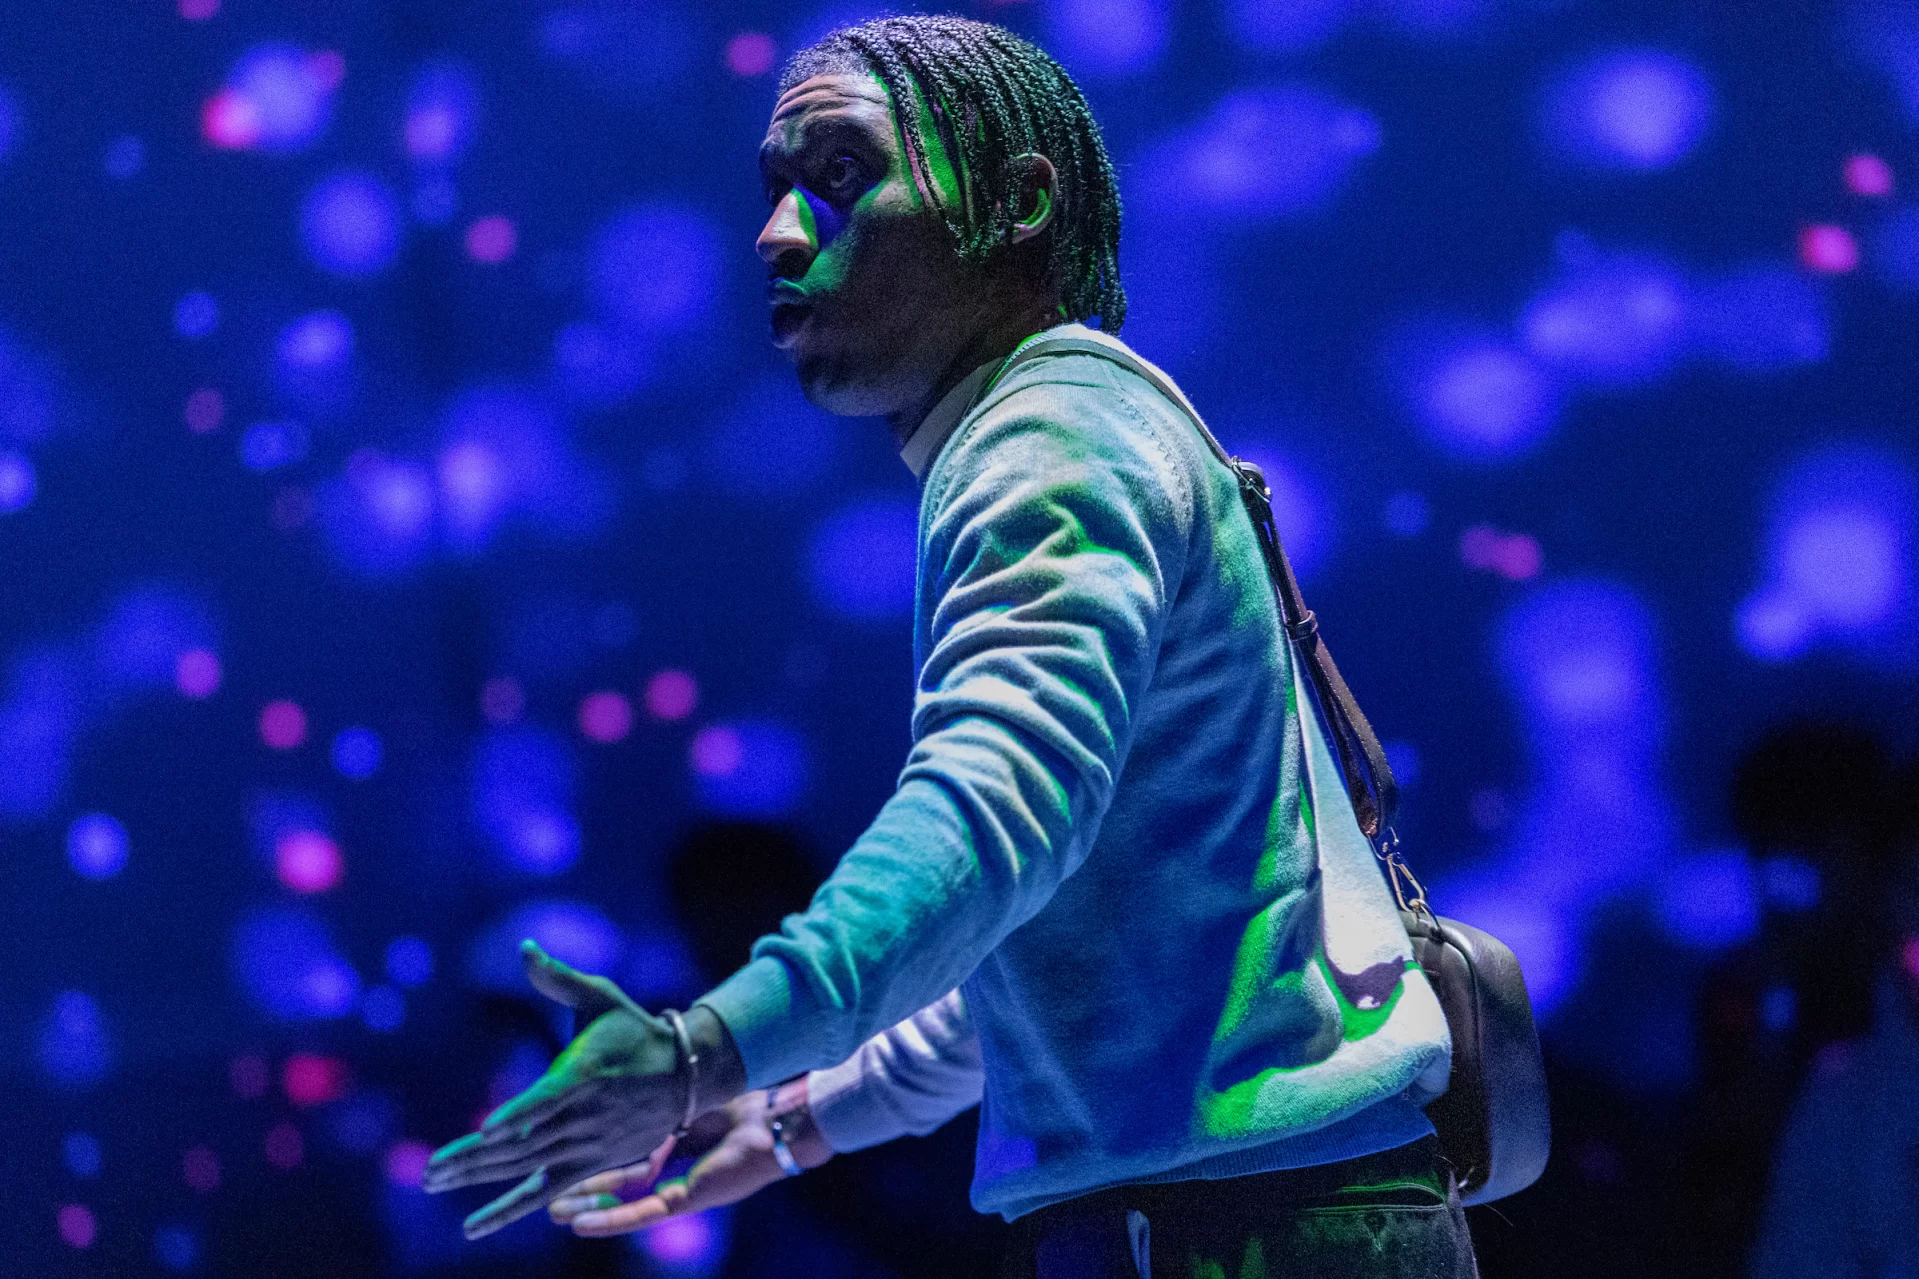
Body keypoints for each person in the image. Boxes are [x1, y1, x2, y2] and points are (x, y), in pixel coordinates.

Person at [426, 16, 1467, 1276]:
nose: (776, 233)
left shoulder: (1045, 440)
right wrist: (805, 1116)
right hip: (1265, 1215)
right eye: (772, 190)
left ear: (1015, 203)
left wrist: (708, 1047)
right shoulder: (1092, 416)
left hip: (1232, 1234)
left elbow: (988, 821)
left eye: (842, 174)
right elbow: (1067, 951)